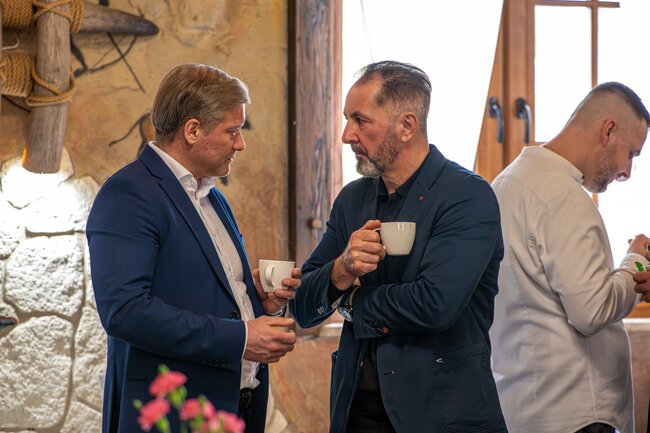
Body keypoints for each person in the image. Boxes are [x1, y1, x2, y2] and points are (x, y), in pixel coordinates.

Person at [290, 60, 507, 433]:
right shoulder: (352, 199)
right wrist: (341, 270)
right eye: (347, 119)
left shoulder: (468, 196)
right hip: (355, 414)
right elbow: (303, 307)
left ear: (406, 126)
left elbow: (435, 305)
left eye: (360, 121)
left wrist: (352, 302)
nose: (346, 135)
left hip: (442, 416)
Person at [87, 64, 298, 433]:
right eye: (232, 131)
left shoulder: (214, 197)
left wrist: (257, 302)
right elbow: (125, 311)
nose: (240, 143)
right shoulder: (129, 193)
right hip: (174, 413)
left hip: (236, 405)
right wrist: (242, 338)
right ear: (193, 130)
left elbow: (207, 292)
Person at [490, 82, 650, 433]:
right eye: (631, 153)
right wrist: (636, 261)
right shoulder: (562, 195)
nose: (627, 171)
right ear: (608, 130)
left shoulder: (504, 183)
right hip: (577, 412)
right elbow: (591, 311)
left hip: (522, 407)